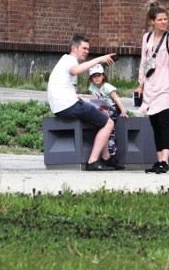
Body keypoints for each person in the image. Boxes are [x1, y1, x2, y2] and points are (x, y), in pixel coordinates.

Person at [47, 34, 117, 171]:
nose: (86, 51)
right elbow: (76, 70)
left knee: (103, 115)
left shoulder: (64, 61)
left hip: (64, 106)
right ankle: (93, 161)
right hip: (68, 106)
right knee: (109, 122)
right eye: (84, 48)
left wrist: (84, 100)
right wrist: (100, 59)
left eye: (88, 49)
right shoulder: (69, 60)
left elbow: (65, 88)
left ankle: (107, 158)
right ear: (74, 48)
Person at [135, 0, 169, 174]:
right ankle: (159, 160)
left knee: (164, 122)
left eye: (165, 19)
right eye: (160, 19)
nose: (164, 22)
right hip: (150, 85)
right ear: (152, 21)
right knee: (154, 123)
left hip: (165, 84)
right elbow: (143, 62)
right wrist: (140, 85)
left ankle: (165, 161)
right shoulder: (146, 38)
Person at [87, 64, 128, 170]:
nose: (96, 77)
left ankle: (111, 145)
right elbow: (94, 99)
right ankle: (107, 156)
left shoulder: (107, 87)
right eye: (93, 76)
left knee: (109, 123)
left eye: (98, 75)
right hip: (102, 108)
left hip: (112, 108)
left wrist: (123, 111)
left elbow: (117, 100)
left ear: (103, 76)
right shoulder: (93, 87)